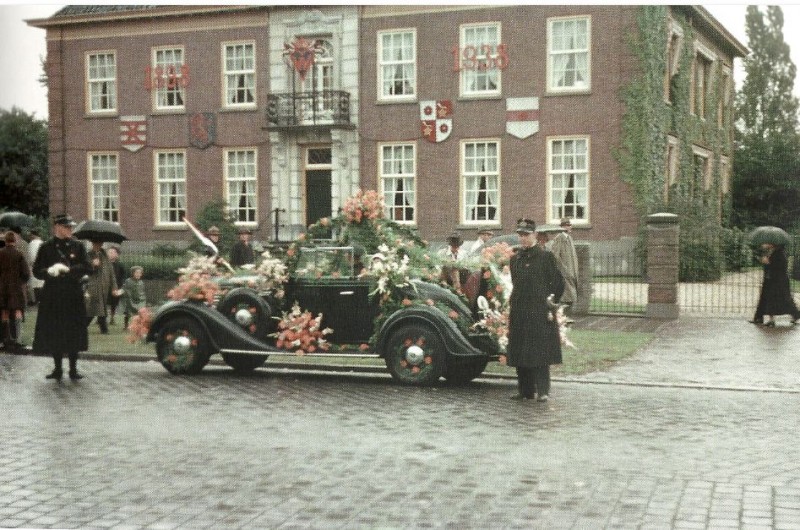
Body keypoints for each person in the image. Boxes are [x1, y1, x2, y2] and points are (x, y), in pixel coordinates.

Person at [507, 218, 565, 402]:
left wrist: (551, 300)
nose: (523, 238)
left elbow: (558, 283)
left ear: (534, 235)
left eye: (526, 235)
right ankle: (525, 390)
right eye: (520, 235)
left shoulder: (545, 257)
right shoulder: (515, 259)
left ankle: (543, 391)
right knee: (520, 350)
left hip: (538, 311)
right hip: (520, 310)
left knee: (540, 352)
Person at [32, 214, 92, 381]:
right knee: (55, 331)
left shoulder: (78, 246)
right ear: (57, 227)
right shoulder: (46, 247)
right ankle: (57, 368)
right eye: (67, 227)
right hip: (53, 295)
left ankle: (73, 369)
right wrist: (49, 272)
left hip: (72, 294)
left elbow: (87, 267)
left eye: (71, 227)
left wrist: (69, 270)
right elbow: (37, 270)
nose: (70, 230)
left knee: (73, 331)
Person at [750, 243, 800, 326]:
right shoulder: (771, 252)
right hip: (771, 280)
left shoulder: (779, 254)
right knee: (767, 298)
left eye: (767, 243)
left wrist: (768, 262)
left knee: (779, 299)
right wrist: (766, 261)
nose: (765, 244)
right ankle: (759, 317)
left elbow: (779, 267)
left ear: (773, 244)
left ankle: (792, 315)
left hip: (778, 281)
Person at [0, 231, 31, 352]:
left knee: (4, 313)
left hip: (2, 287)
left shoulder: (0, 254)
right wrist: (21, 282)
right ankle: (17, 339)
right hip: (16, 288)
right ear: (15, 241)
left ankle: (4, 339)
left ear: (6, 241)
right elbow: (26, 273)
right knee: (17, 312)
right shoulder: (19, 254)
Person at [84, 240, 121, 334]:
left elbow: (111, 272)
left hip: (105, 286)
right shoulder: (88, 255)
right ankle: (85, 326)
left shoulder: (105, 255)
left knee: (102, 307)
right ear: (93, 244)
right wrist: (93, 265)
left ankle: (102, 328)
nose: (99, 244)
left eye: (100, 243)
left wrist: (114, 287)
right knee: (93, 307)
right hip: (93, 285)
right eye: (97, 243)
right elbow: (85, 269)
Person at [549, 217, 579, 310]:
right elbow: (555, 256)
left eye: (569, 225)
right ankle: (562, 320)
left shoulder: (569, 238)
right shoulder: (559, 238)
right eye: (566, 225)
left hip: (571, 274)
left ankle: (564, 320)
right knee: (566, 300)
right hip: (564, 275)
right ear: (562, 227)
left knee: (570, 300)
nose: (569, 227)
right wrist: (565, 271)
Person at [106, 244, 126, 325]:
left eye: (113, 252)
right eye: (109, 252)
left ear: (117, 254)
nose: (110, 254)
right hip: (105, 286)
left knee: (114, 303)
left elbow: (123, 276)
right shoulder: (105, 264)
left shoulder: (120, 265)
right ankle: (101, 317)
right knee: (103, 302)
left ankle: (112, 317)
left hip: (116, 286)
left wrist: (121, 287)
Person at [26, 229, 44, 306]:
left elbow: (31, 257)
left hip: (35, 266)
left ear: (33, 235)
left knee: (36, 285)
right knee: (42, 283)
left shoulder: (31, 244)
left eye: (30, 235)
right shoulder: (43, 243)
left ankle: (38, 300)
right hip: (43, 266)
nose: (29, 237)